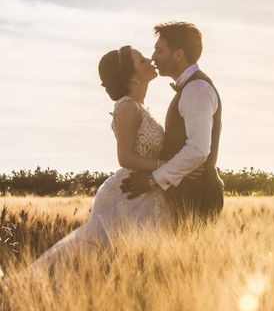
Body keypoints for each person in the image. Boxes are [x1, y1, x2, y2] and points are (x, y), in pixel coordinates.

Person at [12, 45, 171, 282]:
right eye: (141, 60)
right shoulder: (127, 107)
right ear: (132, 76)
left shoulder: (139, 108)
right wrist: (167, 165)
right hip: (130, 195)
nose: (149, 60)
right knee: (104, 259)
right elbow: (125, 157)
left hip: (146, 191)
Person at [120, 22, 224, 224]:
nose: (153, 57)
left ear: (178, 54)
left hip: (197, 198)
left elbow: (198, 150)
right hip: (185, 197)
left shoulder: (197, 89)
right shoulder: (191, 87)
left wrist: (152, 180)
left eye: (159, 51)